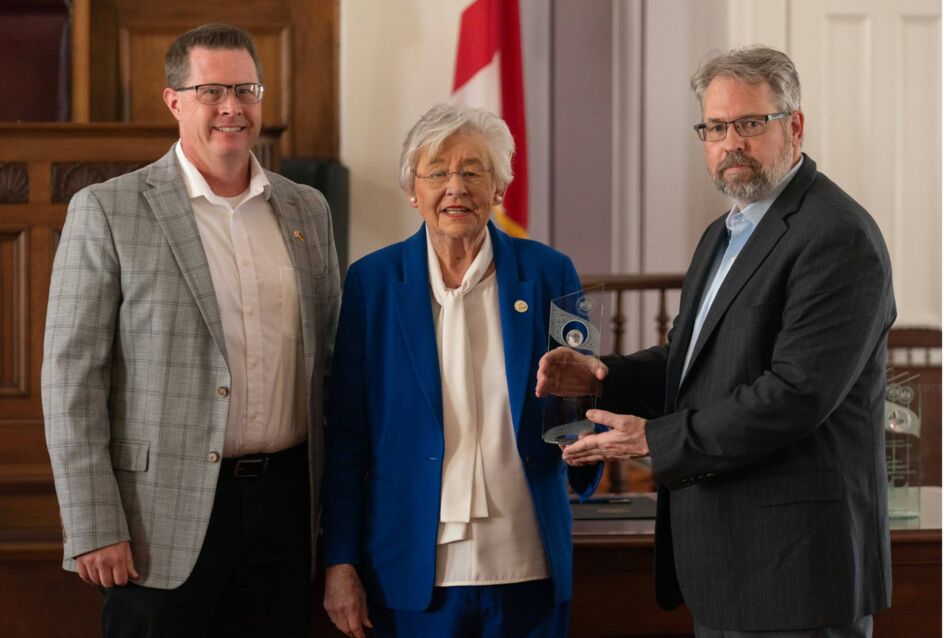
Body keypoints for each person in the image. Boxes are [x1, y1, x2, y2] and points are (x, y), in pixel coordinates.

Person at [537, 46, 895, 637]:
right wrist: (603, 375)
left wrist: (653, 438)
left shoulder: (837, 235)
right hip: (730, 564)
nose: (731, 143)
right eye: (715, 127)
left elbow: (795, 395)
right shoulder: (725, 232)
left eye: (750, 124)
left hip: (796, 570)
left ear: (794, 126)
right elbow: (692, 362)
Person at [41, 23, 339, 637]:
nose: (232, 107)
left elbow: (330, 364)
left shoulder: (307, 208)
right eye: (212, 91)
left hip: (284, 512)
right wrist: (95, 523)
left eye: (247, 89)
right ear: (174, 100)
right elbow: (70, 380)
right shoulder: (109, 209)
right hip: (158, 521)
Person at [322, 103, 601, 638]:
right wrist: (339, 562)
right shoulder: (372, 283)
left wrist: (587, 420)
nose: (456, 186)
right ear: (413, 190)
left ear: (498, 189)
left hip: (528, 560)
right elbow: (347, 438)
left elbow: (580, 404)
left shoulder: (550, 273)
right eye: (437, 172)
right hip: (410, 565)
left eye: (473, 171)